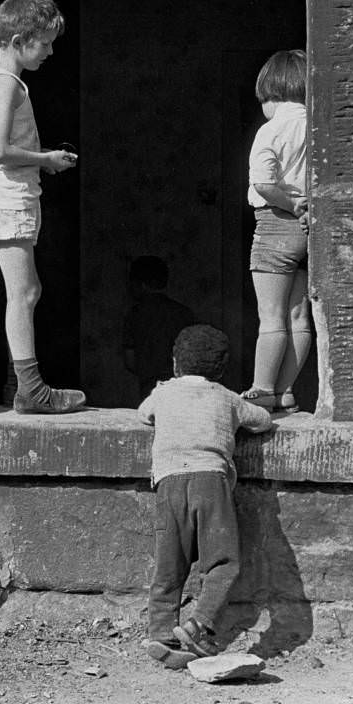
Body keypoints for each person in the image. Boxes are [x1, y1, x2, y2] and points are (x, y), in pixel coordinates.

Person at [138, 324, 274, 667]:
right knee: (222, 562)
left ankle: (161, 633)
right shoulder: (227, 397)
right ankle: (198, 625)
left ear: (174, 364)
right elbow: (263, 420)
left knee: (169, 565)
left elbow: (144, 413)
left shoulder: (163, 393)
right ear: (222, 369)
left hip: (169, 483)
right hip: (210, 482)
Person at [0, 0, 85, 414]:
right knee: (23, 293)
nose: (51, 51)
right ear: (20, 41)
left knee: (27, 291)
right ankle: (31, 390)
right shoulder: (6, 83)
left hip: (16, 196)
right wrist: (46, 160)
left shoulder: (6, 82)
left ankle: (16, 384)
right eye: (45, 42)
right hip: (10, 196)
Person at [241, 49, 310, 413]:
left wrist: (290, 203)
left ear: (272, 94)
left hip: (275, 222)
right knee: (299, 315)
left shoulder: (272, 128)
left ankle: (262, 388)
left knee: (270, 315)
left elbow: (264, 182)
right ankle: (286, 390)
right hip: (307, 228)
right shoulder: (317, 125)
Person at [120, 256, 196, 403]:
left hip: (148, 388)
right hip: (184, 388)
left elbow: (130, 360)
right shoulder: (184, 313)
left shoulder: (135, 315)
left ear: (140, 285)